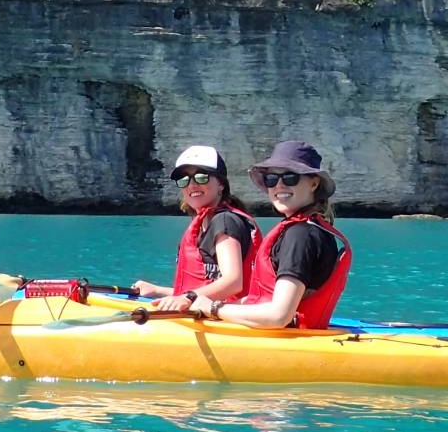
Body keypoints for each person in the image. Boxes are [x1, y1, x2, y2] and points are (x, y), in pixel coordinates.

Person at [196, 140, 351, 329]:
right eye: (271, 179)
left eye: (290, 178)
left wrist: (213, 308)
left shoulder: (300, 235)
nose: (279, 186)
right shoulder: (311, 229)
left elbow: (279, 315)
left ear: (314, 183)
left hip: (288, 342)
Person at [132, 145, 258, 313]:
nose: (192, 185)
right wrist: (158, 290)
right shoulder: (208, 222)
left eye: (201, 177)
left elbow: (233, 282)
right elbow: (207, 288)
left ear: (221, 183)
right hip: (210, 314)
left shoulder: (225, 221)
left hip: (230, 322)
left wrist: (187, 298)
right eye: (184, 180)